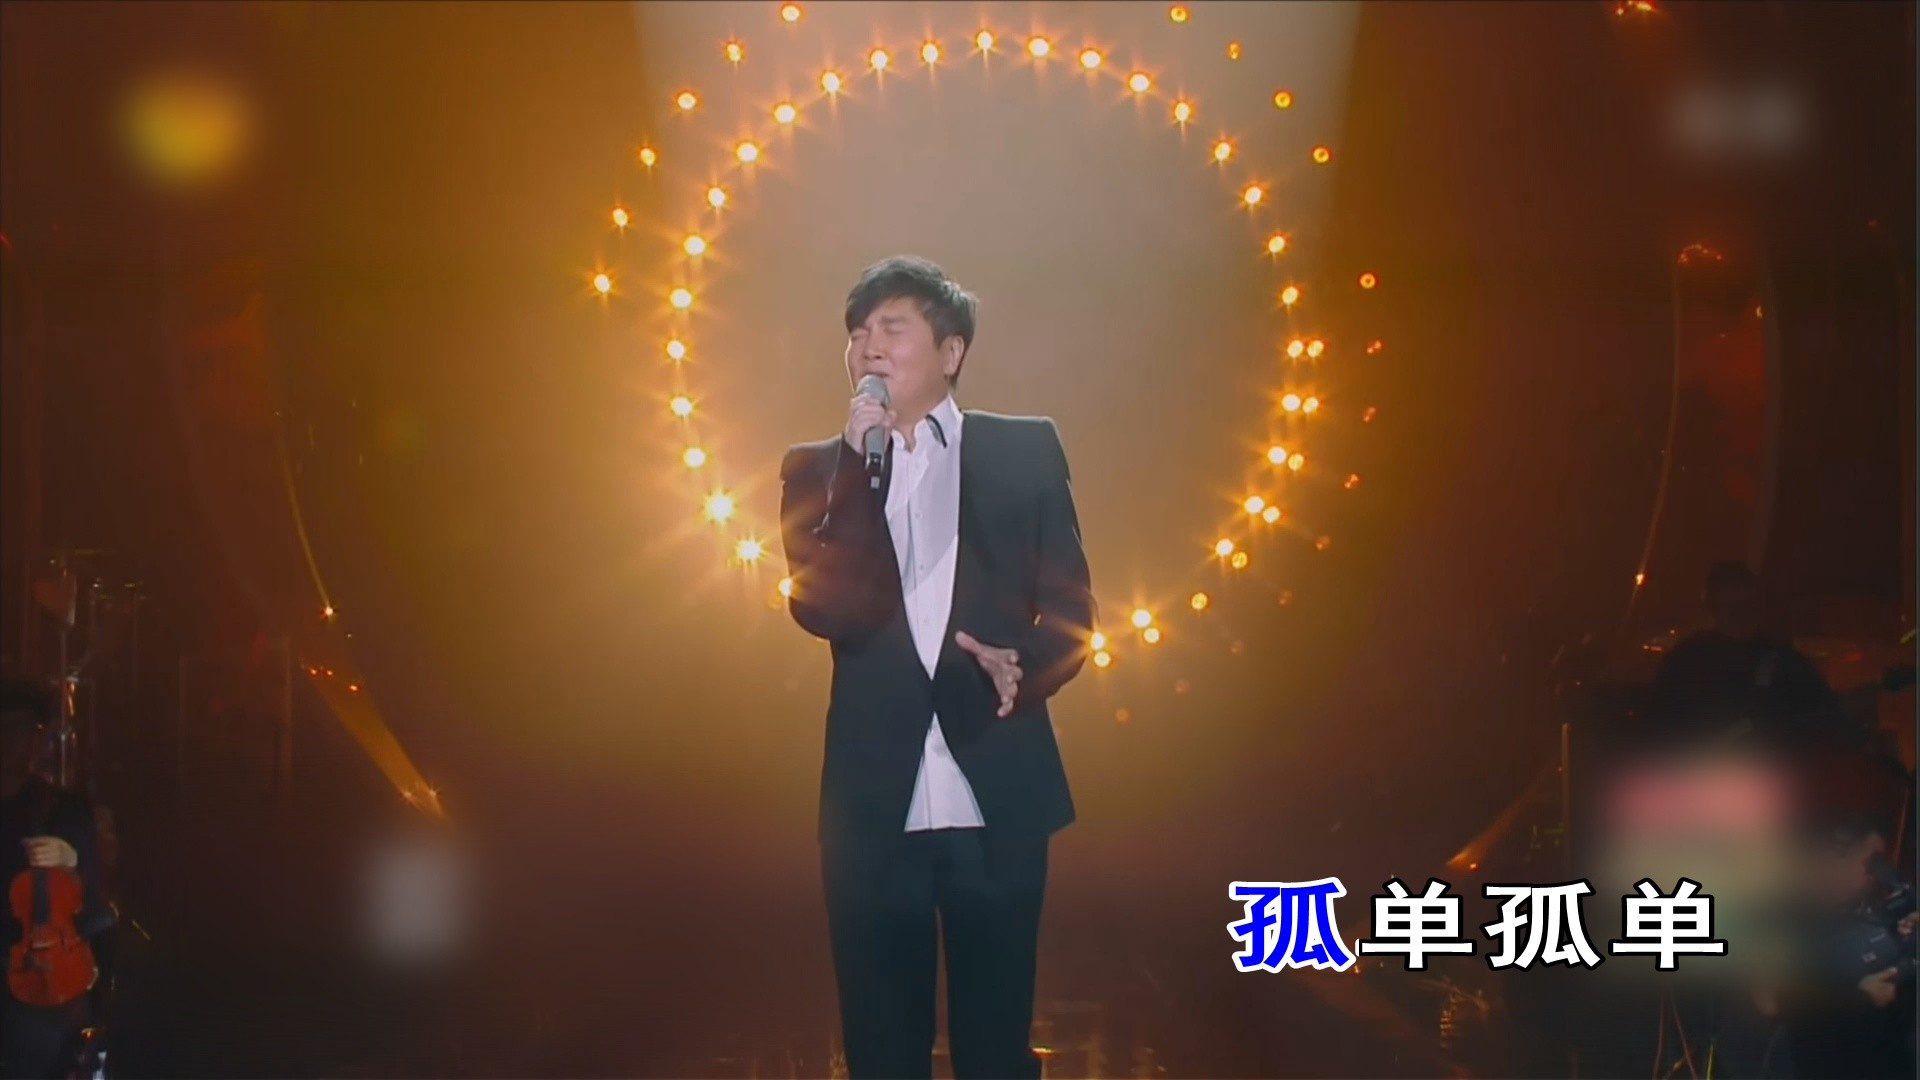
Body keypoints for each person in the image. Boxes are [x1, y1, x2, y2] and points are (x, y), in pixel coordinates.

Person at [778, 256, 1095, 1079]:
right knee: (882, 1051)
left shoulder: (1023, 450)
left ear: (951, 351)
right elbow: (825, 609)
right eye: (857, 335)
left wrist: (1021, 664)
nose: (869, 347)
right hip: (872, 807)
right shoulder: (816, 469)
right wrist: (860, 472)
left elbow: (1072, 612)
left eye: (892, 327)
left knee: (995, 1050)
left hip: (996, 787)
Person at [0, 678, 106, 1080]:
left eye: (22, 729)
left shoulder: (65, 811)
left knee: (40, 1041)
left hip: (39, 971)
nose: (11, 741)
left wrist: (72, 859)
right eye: (3, 728)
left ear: (36, 739)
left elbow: (93, 900)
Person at [1646, 561, 1850, 748]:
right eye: (1728, 606)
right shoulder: (1687, 660)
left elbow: (1825, 723)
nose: (1739, 615)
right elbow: (1660, 727)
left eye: (1746, 605)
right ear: (1712, 607)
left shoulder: (1785, 663)